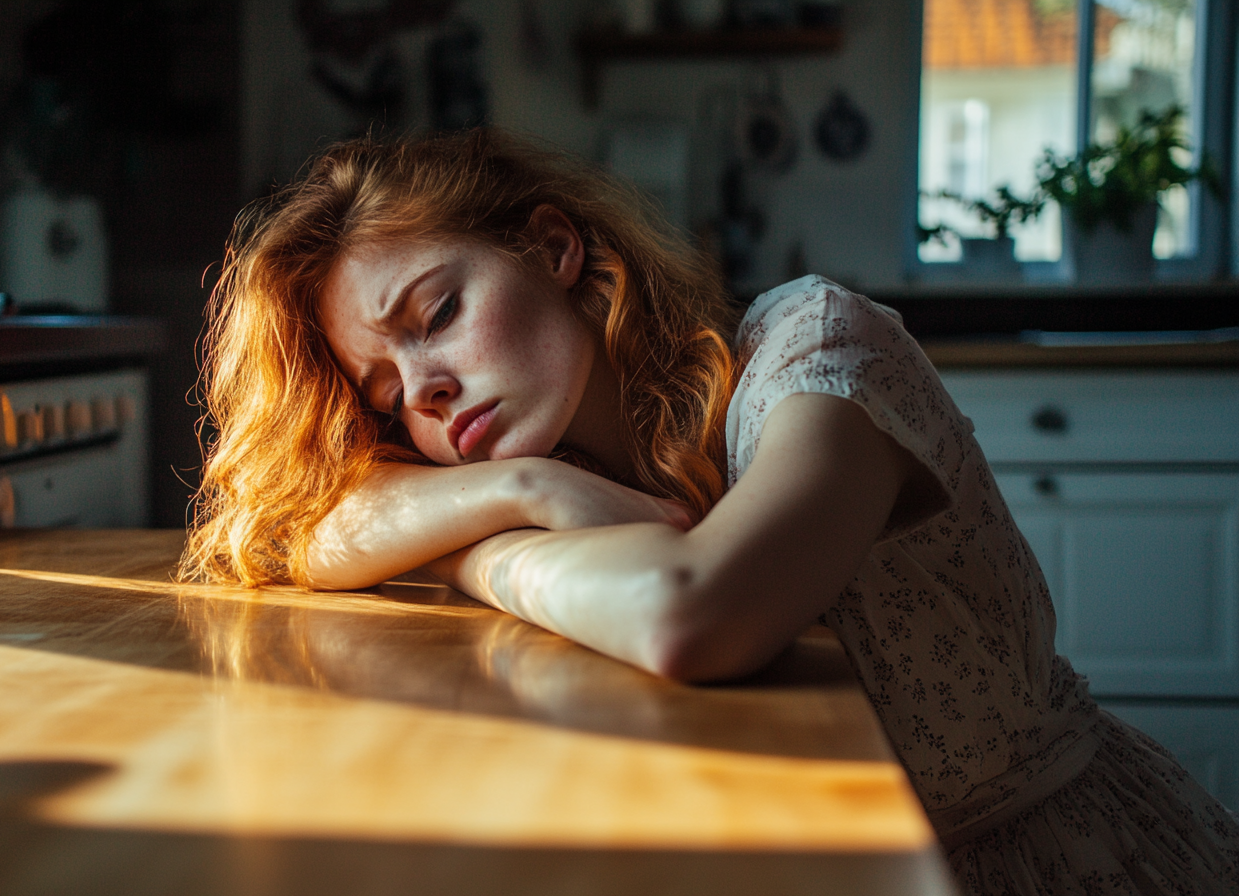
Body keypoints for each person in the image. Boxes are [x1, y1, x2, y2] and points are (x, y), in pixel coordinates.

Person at [182, 128, 1238, 894]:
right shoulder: (559, 464)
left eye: (439, 314)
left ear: (554, 249)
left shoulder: (816, 347)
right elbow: (297, 531)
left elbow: (693, 609)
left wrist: (480, 540)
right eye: (385, 395)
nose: (426, 391)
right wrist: (520, 490)